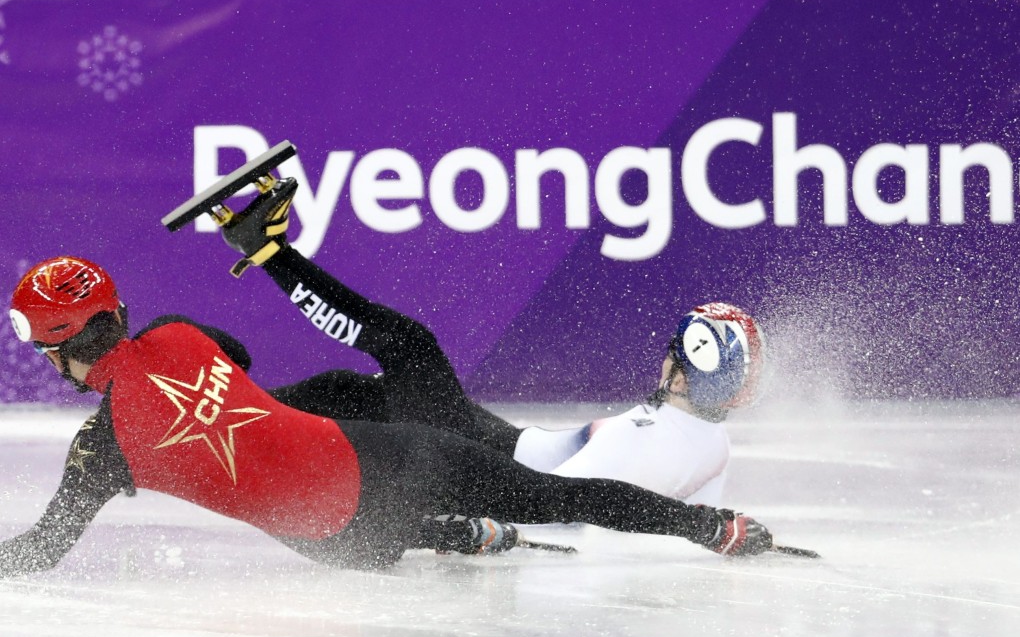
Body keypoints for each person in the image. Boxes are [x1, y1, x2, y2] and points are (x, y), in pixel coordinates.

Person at [0, 252, 774, 578]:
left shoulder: (96, 452)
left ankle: (453, 534)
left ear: (54, 350)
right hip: (388, 464)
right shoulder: (174, 332)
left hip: (339, 544)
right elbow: (239, 359)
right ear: (117, 312)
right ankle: (711, 529)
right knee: (552, 496)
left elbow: (40, 551)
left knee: (289, 492)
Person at [212, 177, 762, 507]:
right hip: (496, 446)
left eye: (672, 354)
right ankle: (217, 415)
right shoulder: (710, 441)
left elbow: (554, 504)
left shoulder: (646, 436)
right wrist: (711, 530)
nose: (662, 361)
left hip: (479, 465)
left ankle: (267, 250)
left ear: (685, 373)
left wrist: (458, 515)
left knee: (408, 346)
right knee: (360, 392)